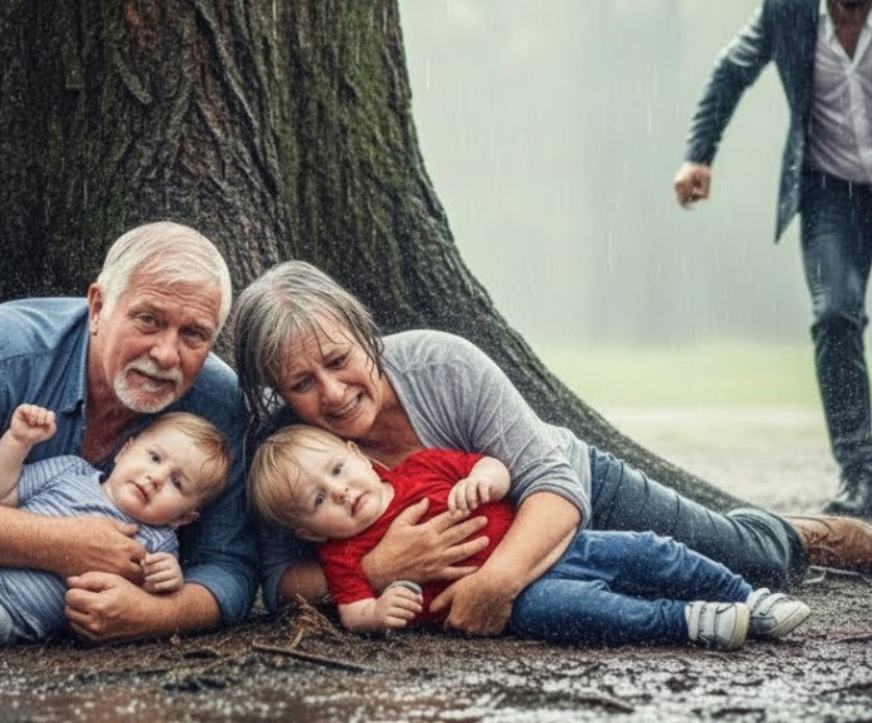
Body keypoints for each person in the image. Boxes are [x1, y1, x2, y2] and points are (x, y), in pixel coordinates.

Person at [233, 259, 872, 636]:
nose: (333, 392)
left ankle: (792, 533)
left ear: (363, 333)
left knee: (746, 559)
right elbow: (279, 581)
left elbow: (552, 483)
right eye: (302, 383)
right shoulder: (289, 449)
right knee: (616, 598)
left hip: (571, 491)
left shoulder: (441, 365)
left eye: (338, 360)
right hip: (513, 560)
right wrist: (380, 569)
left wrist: (496, 581)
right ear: (278, 390)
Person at [673, 0, 872, 519]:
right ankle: (858, 480)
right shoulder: (786, 8)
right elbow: (730, 72)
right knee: (835, 316)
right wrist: (699, 156)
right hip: (830, 195)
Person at [249, 424, 811, 651]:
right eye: (318, 501)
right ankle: (687, 621)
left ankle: (747, 597)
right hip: (519, 603)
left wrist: (484, 480)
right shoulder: (342, 554)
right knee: (583, 611)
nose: (340, 491)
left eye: (337, 471)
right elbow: (353, 612)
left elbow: (492, 464)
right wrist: (380, 610)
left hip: (549, 546)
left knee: (650, 550)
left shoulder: (420, 468)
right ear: (306, 530)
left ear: (357, 455)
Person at [0, 221, 257, 642]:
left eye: (193, 334)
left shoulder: (217, 405)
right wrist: (59, 542)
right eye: (149, 320)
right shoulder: (10, 354)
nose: (166, 354)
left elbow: (229, 565)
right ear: (98, 307)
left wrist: (155, 614)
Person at [0, 406, 231, 644]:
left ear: (182, 518)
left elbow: (139, 601)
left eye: (177, 483)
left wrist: (167, 580)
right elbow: (4, 494)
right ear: (124, 450)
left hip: (14, 610)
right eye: (155, 458)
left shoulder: (158, 543)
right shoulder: (70, 470)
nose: (156, 477)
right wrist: (17, 441)